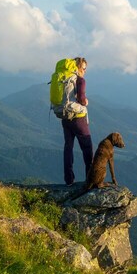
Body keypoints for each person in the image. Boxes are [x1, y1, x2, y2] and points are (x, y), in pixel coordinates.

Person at [60, 57, 93, 185]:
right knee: (87, 149)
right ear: (78, 67)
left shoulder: (64, 78)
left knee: (68, 147)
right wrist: (86, 102)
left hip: (65, 117)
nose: (84, 71)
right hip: (78, 119)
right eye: (84, 68)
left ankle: (69, 180)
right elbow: (81, 99)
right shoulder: (80, 81)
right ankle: (90, 180)